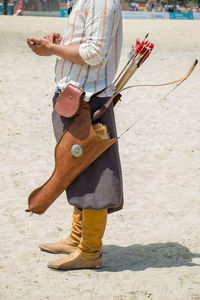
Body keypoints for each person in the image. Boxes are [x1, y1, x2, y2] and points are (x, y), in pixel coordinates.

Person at [27, 0, 123, 271]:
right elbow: (86, 43)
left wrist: (52, 50)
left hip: (88, 99)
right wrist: (62, 42)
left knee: (92, 176)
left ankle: (90, 252)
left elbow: (94, 53)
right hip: (77, 95)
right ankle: (77, 238)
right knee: (75, 171)